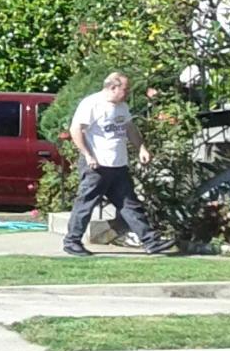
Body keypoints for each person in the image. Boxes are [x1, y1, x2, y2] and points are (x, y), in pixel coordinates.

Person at [64, 72, 171, 256]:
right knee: (86, 203)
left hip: (118, 164)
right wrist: (88, 155)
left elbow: (130, 128)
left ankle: (151, 242)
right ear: (112, 88)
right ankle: (72, 242)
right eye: (125, 89)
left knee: (129, 204)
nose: (128, 92)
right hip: (96, 166)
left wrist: (141, 149)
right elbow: (76, 129)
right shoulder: (92, 104)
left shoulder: (122, 106)